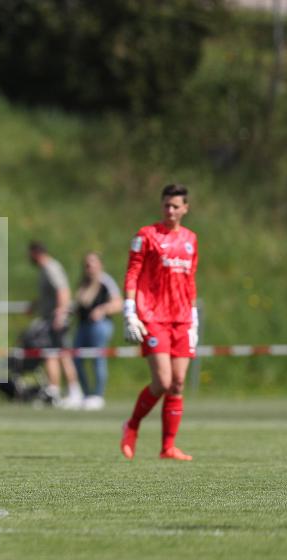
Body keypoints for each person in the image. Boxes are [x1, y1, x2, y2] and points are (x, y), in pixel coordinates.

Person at [120, 184, 198, 461]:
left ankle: (168, 447)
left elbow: (189, 279)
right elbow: (133, 272)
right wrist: (129, 310)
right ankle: (131, 426)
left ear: (185, 209)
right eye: (166, 205)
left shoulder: (191, 239)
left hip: (182, 318)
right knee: (163, 381)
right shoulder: (147, 235)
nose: (170, 210)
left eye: (175, 206)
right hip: (153, 316)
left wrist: (194, 317)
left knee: (177, 383)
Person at [28, 241, 84, 408]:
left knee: (61, 354)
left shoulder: (50, 267)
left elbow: (63, 290)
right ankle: (56, 390)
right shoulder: (46, 269)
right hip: (51, 318)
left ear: (36, 253)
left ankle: (73, 391)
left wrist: (60, 314)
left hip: (56, 319)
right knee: (53, 354)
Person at [72, 253, 122, 410]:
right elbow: (80, 303)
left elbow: (118, 303)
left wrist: (102, 309)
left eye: (93, 264)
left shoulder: (106, 281)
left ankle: (97, 395)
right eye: (87, 264)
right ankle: (86, 395)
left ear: (100, 265)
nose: (90, 267)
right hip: (83, 326)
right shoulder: (84, 283)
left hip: (100, 326)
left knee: (97, 359)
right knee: (77, 360)